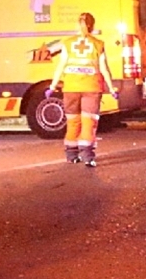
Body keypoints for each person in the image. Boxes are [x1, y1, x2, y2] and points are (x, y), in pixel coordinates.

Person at [47, 12, 119, 167]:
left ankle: (71, 154)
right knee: (88, 123)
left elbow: (61, 66)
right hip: (91, 88)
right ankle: (88, 156)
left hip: (71, 88)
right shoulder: (98, 44)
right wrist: (112, 88)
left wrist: (52, 86)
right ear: (92, 26)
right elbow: (104, 68)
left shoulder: (68, 43)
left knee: (73, 122)